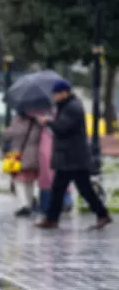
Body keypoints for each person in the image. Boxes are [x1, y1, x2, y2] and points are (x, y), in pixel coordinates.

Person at [35, 80, 111, 229]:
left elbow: (63, 128)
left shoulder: (72, 108)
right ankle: (52, 218)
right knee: (61, 188)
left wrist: (47, 122)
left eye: (56, 94)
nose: (55, 97)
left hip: (73, 157)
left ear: (64, 93)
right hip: (69, 157)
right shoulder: (66, 107)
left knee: (81, 189)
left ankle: (102, 214)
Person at [3, 111, 43, 216]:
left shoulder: (18, 121)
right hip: (34, 156)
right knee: (30, 181)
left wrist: (5, 130)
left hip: (19, 155)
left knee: (18, 181)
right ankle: (29, 204)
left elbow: (9, 135)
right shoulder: (37, 122)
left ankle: (23, 205)